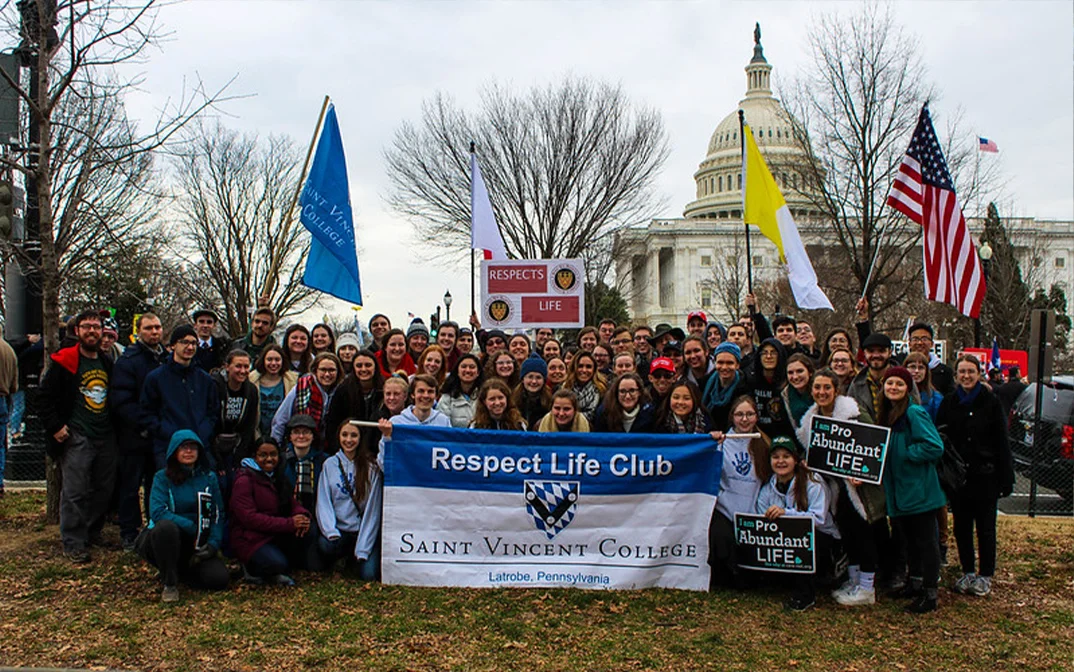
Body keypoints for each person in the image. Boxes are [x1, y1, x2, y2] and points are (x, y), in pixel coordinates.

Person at [796, 369, 883, 607]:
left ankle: (867, 587)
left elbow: (873, 445)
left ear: (836, 390)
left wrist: (862, 472)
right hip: (834, 487)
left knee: (862, 533)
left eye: (827, 388)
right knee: (847, 532)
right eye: (817, 388)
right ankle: (854, 580)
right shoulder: (811, 419)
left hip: (857, 488)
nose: (821, 392)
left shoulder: (853, 414)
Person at [40, 310, 117, 563]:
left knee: (103, 488)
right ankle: (73, 541)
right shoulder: (64, 362)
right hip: (77, 435)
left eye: (96, 327)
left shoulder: (106, 362)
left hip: (104, 434)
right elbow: (44, 398)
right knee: (75, 490)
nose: (92, 331)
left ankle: (92, 532)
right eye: (87, 327)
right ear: (77, 331)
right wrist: (56, 427)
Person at [937, 355, 1015, 599]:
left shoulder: (991, 402)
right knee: (961, 526)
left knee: (986, 528)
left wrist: (1006, 477)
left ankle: (986, 574)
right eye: (962, 372)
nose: (966, 376)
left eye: (971, 371)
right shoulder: (949, 402)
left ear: (979, 374)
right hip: (959, 477)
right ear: (956, 375)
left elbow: (1002, 440)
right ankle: (968, 570)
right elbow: (942, 437)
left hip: (986, 475)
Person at [879, 367, 946, 613]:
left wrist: (907, 454)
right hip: (899, 490)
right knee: (910, 541)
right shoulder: (887, 414)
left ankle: (930, 593)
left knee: (926, 542)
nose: (893, 388)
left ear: (908, 388)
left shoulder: (914, 412)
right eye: (889, 384)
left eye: (899, 384)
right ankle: (914, 582)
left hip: (919, 490)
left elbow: (933, 446)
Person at [139, 431, 230, 602]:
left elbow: (218, 513)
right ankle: (169, 583)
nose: (188, 451)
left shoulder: (209, 477)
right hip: (167, 536)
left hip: (198, 541)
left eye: (193, 447)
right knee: (166, 528)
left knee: (218, 580)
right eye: (184, 447)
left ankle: (182, 571)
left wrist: (213, 543)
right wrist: (190, 526)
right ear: (174, 451)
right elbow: (158, 512)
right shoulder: (162, 477)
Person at [755, 435, 840, 611]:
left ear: (795, 459)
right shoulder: (768, 488)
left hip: (821, 537)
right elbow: (760, 517)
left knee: (801, 539)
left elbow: (818, 519)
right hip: (784, 540)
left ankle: (806, 594)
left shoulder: (813, 482)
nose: (781, 461)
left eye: (786, 456)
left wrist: (786, 514)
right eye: (776, 457)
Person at [110, 312, 166, 550]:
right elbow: (121, 400)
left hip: (158, 435)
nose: (154, 332)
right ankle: (129, 532)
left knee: (156, 485)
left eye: (158, 327)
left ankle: (155, 527)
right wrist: (143, 424)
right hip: (134, 435)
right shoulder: (128, 360)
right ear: (139, 332)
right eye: (149, 328)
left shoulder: (166, 359)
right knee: (130, 486)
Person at [230, 438, 313, 585]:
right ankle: (250, 568)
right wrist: (289, 523)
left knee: (309, 530)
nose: (269, 459)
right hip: (250, 539)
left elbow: (291, 503)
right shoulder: (244, 480)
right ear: (254, 456)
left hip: (274, 533)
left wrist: (302, 515)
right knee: (277, 563)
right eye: (263, 455)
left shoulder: (278, 476)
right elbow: (250, 518)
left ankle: (284, 565)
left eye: (273, 454)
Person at [709, 395, 771, 590]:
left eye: (750, 414)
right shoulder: (722, 444)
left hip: (754, 510)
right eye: (739, 414)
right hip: (725, 508)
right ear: (732, 417)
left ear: (757, 417)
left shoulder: (764, 444)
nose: (744, 419)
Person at [141, 325, 218, 469]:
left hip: (199, 446)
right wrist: (167, 432)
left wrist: (202, 433)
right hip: (167, 447)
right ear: (173, 345)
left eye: (194, 343)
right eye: (184, 342)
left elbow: (212, 412)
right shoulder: (156, 378)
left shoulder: (205, 379)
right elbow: (147, 413)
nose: (190, 347)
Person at [316, 420, 382, 579]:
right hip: (340, 532)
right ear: (338, 437)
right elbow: (323, 502)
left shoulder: (371, 467)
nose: (349, 440)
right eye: (344, 435)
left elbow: (373, 508)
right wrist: (331, 531)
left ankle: (357, 556)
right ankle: (342, 558)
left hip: (363, 531)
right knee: (325, 545)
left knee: (369, 575)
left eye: (354, 435)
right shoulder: (329, 465)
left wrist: (364, 546)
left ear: (360, 438)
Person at [211, 351, 260, 488]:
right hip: (214, 443)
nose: (243, 371)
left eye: (246, 367)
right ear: (227, 367)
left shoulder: (251, 391)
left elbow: (249, 426)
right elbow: (209, 421)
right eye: (238, 366)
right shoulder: (215, 386)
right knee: (220, 481)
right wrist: (216, 457)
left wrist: (239, 455)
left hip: (236, 444)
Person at [271, 352, 342, 444]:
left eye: (331, 370)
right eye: (323, 370)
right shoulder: (301, 388)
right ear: (315, 371)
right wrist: (276, 446)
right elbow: (280, 420)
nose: (327, 374)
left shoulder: (340, 391)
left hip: (330, 446)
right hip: (301, 444)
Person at [324, 350, 384, 453]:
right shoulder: (343, 390)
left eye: (368, 365)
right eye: (359, 366)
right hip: (349, 446)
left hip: (377, 446)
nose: (364, 369)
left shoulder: (384, 388)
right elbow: (333, 423)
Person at [377, 375, 453, 449]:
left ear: (436, 396)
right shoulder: (396, 422)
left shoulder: (443, 421)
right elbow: (383, 458)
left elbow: (451, 450)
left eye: (430, 391)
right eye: (421, 391)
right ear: (412, 394)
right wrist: (387, 437)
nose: (426, 395)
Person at [249, 345, 299, 441]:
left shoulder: (293, 381)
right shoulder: (252, 380)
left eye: (277, 360)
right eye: (269, 359)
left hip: (284, 435)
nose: (273, 363)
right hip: (257, 433)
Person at [745, 338, 792, 439]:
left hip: (785, 437)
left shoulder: (789, 382)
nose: (769, 356)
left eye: (773, 353)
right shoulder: (751, 381)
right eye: (764, 353)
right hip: (758, 436)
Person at [281, 414, 327, 515]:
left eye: (306, 432)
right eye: (296, 432)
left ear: (313, 436)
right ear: (290, 436)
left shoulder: (324, 461)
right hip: (287, 516)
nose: (301, 436)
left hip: (317, 515)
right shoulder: (281, 460)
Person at [702, 343, 748, 431]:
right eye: (720, 362)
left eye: (729, 363)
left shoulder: (745, 387)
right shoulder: (705, 383)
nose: (724, 367)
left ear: (737, 365)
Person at [590, 373, 655, 433]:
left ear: (639, 392)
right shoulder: (604, 413)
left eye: (632, 391)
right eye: (622, 391)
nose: (627, 396)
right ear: (616, 393)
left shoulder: (650, 413)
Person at [904, 322, 954, 396]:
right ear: (909, 344)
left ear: (932, 344)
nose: (920, 343)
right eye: (915, 339)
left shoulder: (944, 372)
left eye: (924, 339)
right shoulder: (900, 366)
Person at [438, 354, 482, 429]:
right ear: (457, 371)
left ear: (478, 372)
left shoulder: (484, 395)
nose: (468, 370)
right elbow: (442, 425)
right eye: (463, 367)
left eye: (472, 367)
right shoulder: (447, 398)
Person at [563, 350, 605, 420]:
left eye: (588, 367)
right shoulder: (563, 388)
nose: (584, 370)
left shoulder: (603, 391)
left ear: (594, 369)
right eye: (580, 366)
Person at [514, 354, 552, 430]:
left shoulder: (550, 401)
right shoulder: (513, 400)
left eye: (538, 377)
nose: (534, 381)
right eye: (530, 377)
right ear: (523, 379)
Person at [782, 354, 816, 433]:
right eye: (790, 373)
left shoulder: (820, 393)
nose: (795, 377)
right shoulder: (785, 394)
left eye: (799, 371)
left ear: (810, 372)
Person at [191, 309, 229, 374]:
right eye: (201, 322)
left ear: (214, 326)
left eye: (209, 322)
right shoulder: (189, 347)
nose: (205, 326)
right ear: (195, 325)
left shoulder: (222, 347)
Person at [905, 352, 942, 420]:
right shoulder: (896, 393)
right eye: (913, 367)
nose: (916, 371)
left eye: (921, 368)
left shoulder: (936, 398)